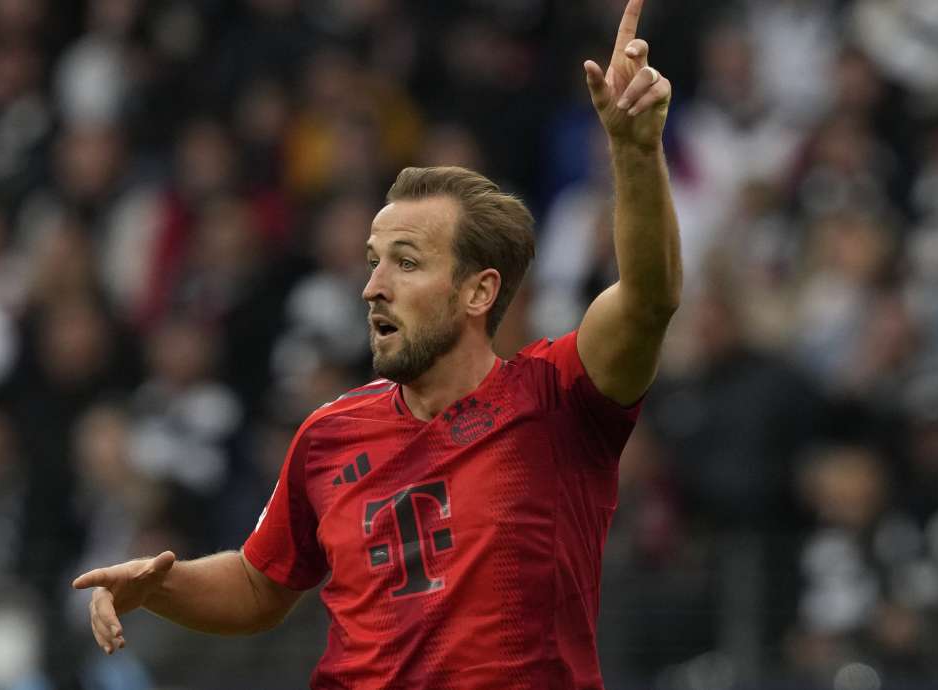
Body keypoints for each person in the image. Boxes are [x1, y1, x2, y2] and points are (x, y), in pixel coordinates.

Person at [72, 1, 681, 687]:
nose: (373, 288)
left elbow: (648, 299)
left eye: (407, 262)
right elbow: (258, 584)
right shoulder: (328, 435)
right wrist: (159, 586)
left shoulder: (557, 401)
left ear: (478, 292)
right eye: (372, 261)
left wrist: (634, 153)